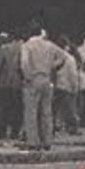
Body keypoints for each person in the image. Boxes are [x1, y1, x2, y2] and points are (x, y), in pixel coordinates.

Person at [20, 21, 66, 150]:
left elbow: (24, 63)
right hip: (46, 78)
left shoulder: (27, 45)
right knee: (46, 112)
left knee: (31, 111)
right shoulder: (49, 45)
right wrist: (52, 66)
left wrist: (28, 77)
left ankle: (33, 142)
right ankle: (47, 141)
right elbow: (63, 57)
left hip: (33, 79)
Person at [0, 31, 23, 141]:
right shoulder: (24, 48)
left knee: (4, 108)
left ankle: (2, 132)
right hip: (19, 82)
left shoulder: (4, 48)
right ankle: (15, 132)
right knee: (18, 108)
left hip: (5, 82)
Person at [53, 37, 80, 135]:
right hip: (67, 86)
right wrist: (75, 86)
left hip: (56, 86)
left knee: (55, 109)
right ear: (66, 46)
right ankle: (72, 128)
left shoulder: (54, 57)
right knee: (70, 109)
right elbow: (73, 74)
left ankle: (55, 126)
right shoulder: (70, 58)